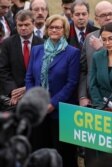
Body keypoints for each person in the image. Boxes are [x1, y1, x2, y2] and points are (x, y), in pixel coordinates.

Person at [25, 14, 80, 167]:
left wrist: (52, 104)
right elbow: (29, 77)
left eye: (58, 27)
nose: (54, 30)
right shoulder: (36, 50)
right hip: (39, 112)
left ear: (64, 30)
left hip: (61, 112)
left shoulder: (72, 53)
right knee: (40, 152)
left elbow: (71, 83)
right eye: (51, 27)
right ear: (47, 30)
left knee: (64, 154)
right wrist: (35, 100)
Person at [0, 10, 43, 105]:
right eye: (20, 25)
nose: (23, 28)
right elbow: (3, 70)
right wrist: (14, 92)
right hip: (14, 97)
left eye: (26, 25)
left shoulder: (43, 44)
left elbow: (45, 71)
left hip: (37, 94)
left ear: (33, 24)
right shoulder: (7, 44)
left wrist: (29, 88)